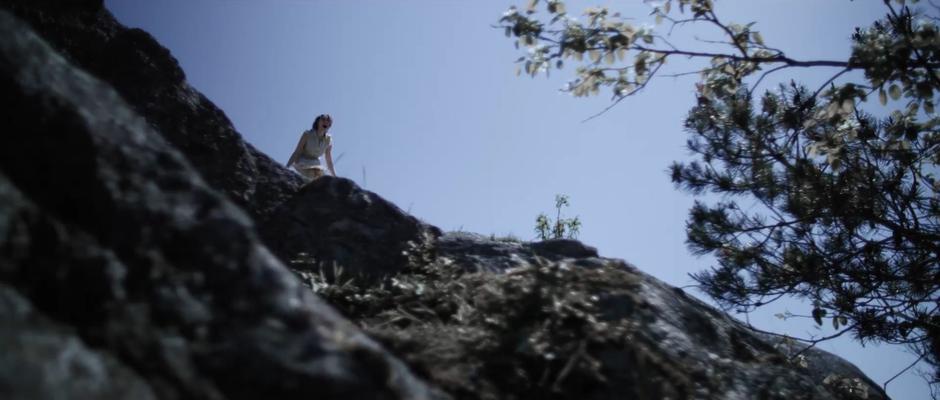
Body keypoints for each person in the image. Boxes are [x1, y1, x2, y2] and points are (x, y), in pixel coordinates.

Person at [287, 114, 336, 182]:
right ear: (318, 122)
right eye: (323, 119)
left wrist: (334, 176)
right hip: (303, 162)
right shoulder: (307, 134)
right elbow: (297, 152)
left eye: (328, 121)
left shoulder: (328, 140)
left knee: (320, 176)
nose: (326, 122)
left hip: (316, 164)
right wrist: (287, 168)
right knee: (313, 174)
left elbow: (329, 161)